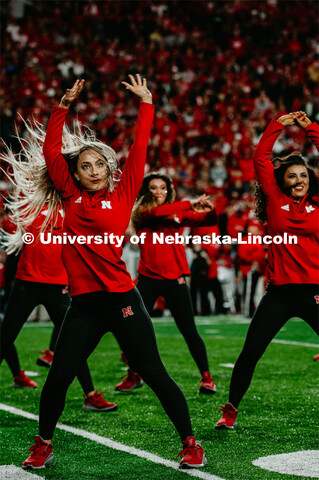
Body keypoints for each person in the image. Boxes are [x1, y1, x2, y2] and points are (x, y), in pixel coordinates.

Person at [22, 76, 207, 470]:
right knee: (59, 377)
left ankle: (190, 442)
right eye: (85, 165)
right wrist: (62, 107)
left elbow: (140, 147)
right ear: (75, 172)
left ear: (110, 167)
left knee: (154, 372)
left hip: (124, 300)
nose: (93, 169)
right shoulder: (70, 195)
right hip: (85, 307)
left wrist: (146, 104)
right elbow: (51, 149)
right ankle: (43, 444)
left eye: (99, 163)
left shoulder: (123, 195)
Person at [215, 111, 319, 429]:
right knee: (250, 353)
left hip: (314, 290)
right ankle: (230, 411)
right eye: (292, 176)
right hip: (280, 294)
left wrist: (311, 129)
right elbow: (261, 158)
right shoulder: (275, 201)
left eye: (303, 175)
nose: (299, 180)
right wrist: (279, 124)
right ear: (282, 181)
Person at [1, 203, 117, 411]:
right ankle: (89, 396)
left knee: (74, 343)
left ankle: (90, 396)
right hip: (27, 283)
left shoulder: (75, 209)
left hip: (58, 286)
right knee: (5, 337)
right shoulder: (31, 206)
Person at [116, 173, 217, 394]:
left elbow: (208, 221)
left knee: (189, 330)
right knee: (132, 328)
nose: (159, 192)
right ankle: (134, 374)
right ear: (146, 191)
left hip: (175, 278)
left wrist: (210, 209)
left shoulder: (176, 213)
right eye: (154, 188)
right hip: (149, 278)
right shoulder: (141, 212)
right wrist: (190, 202)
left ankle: (207, 377)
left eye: (163, 187)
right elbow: (158, 212)